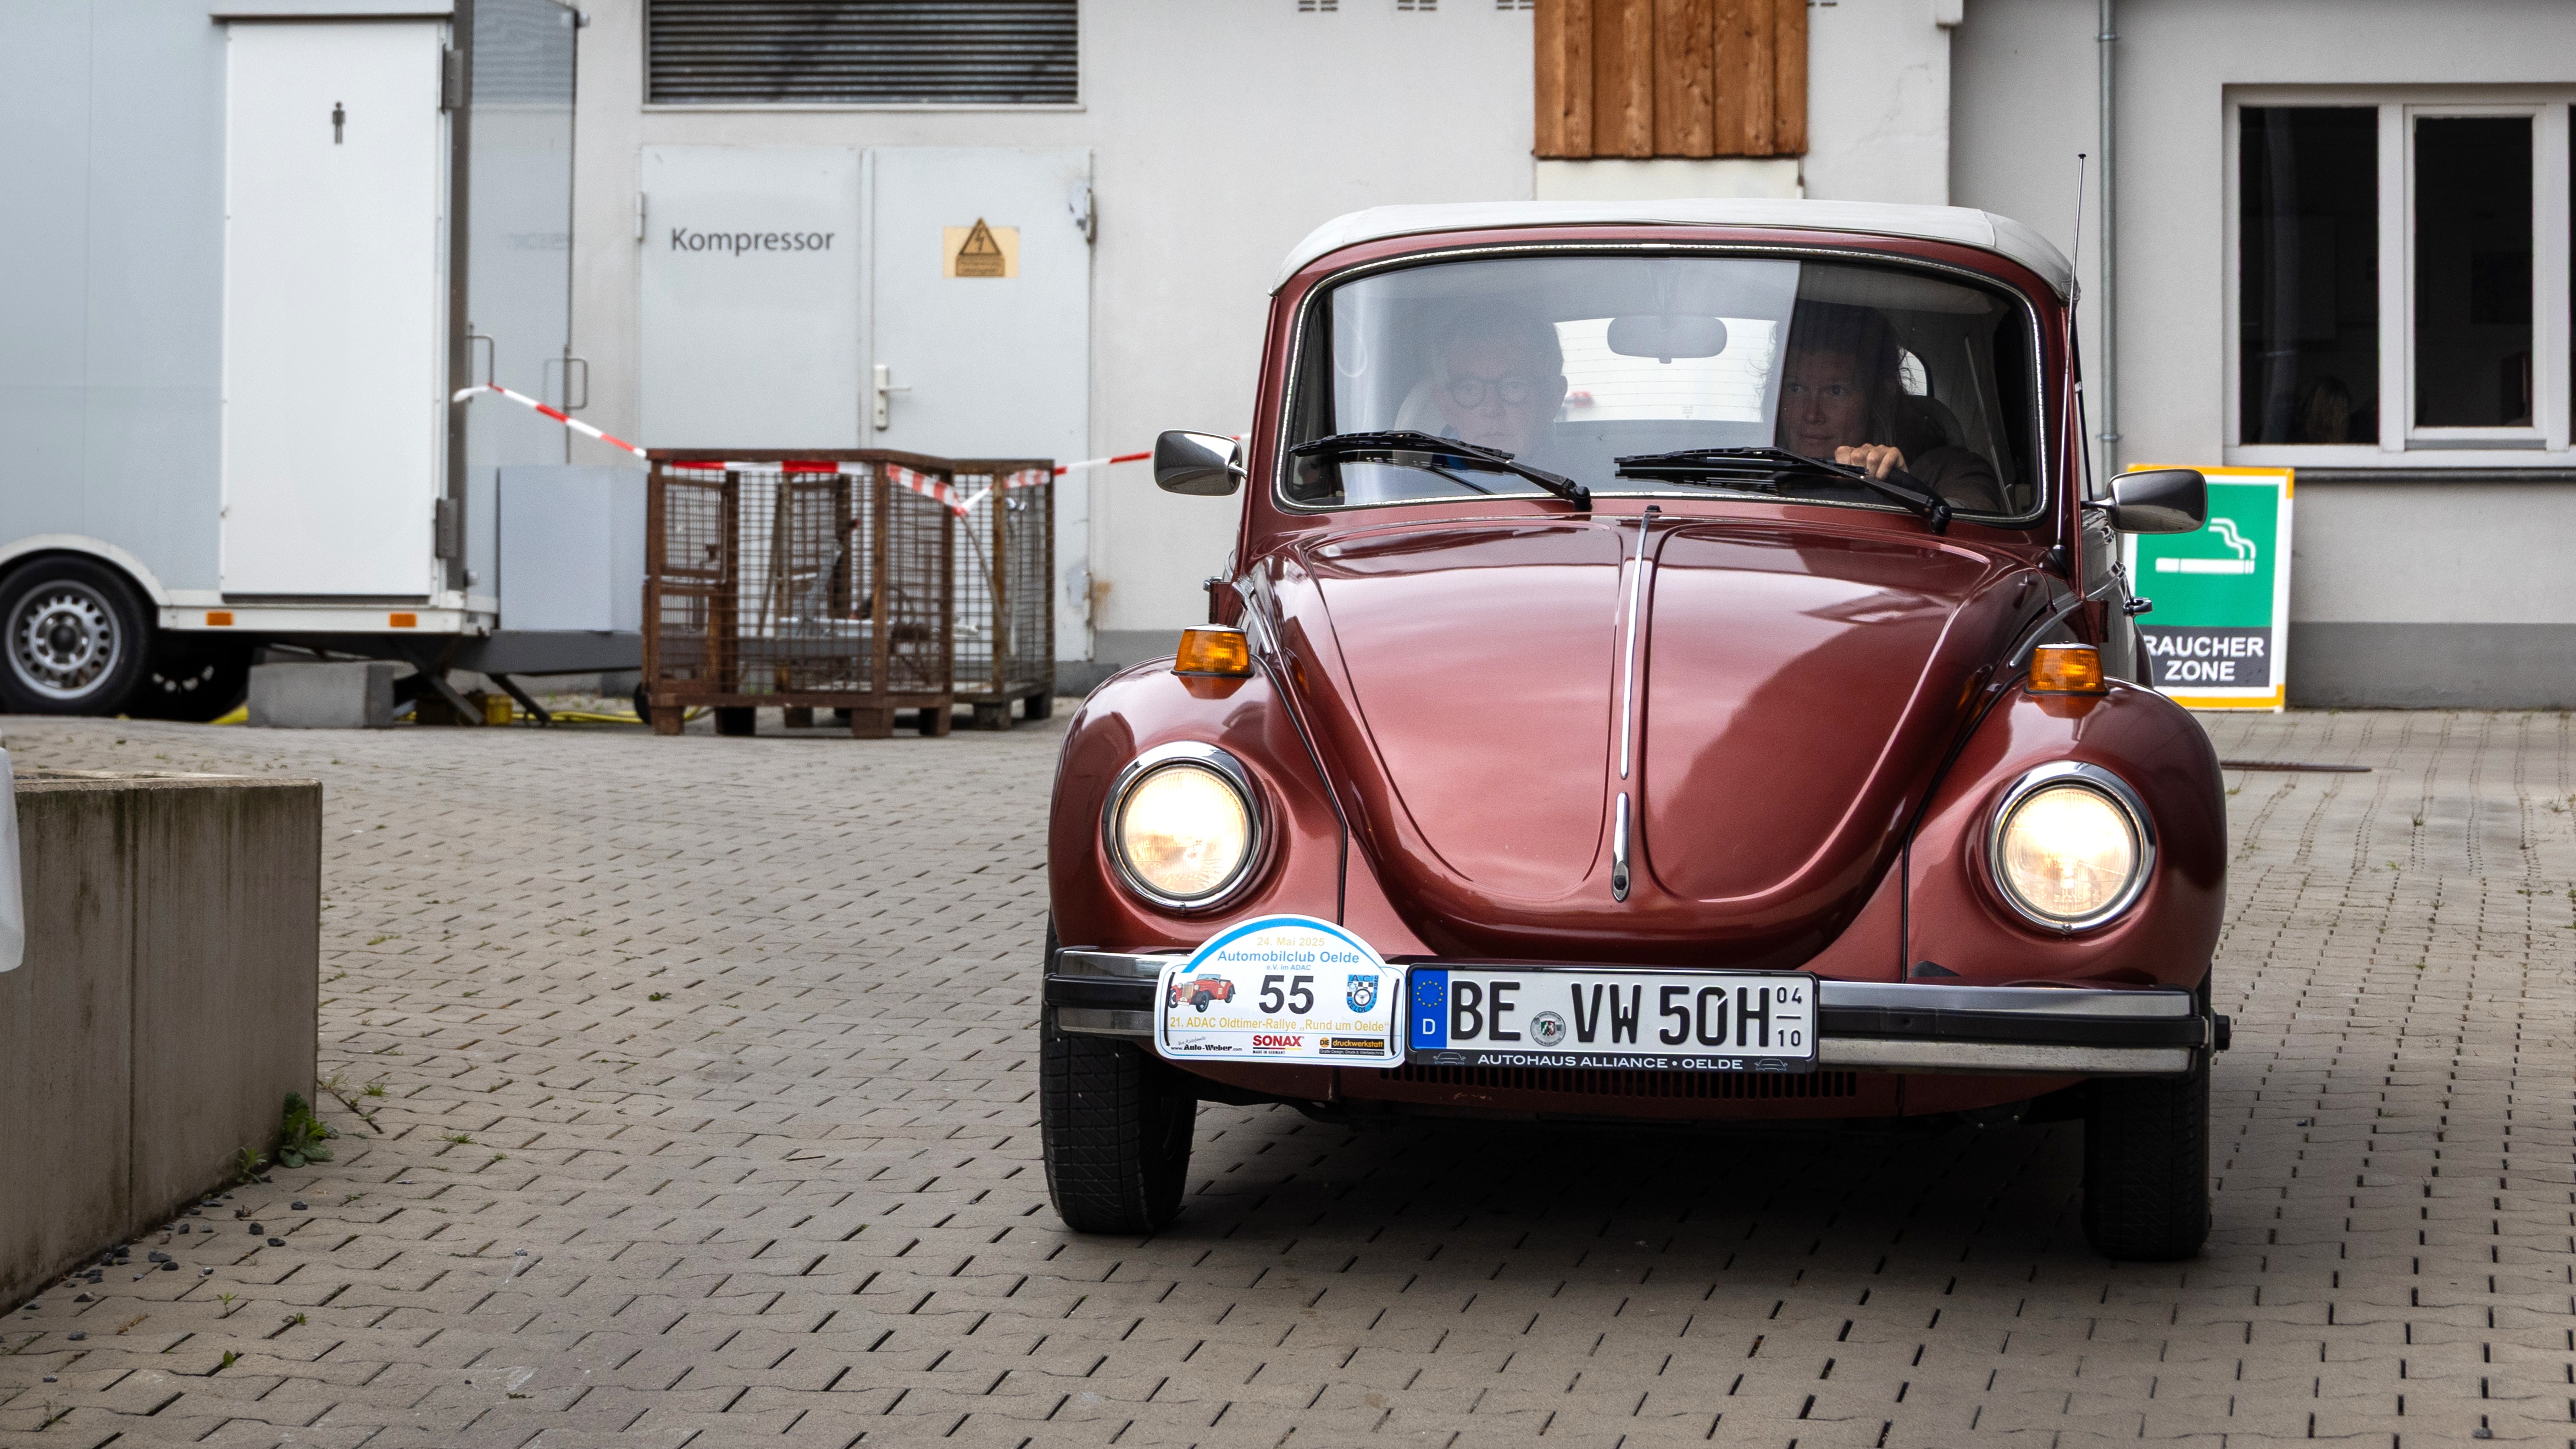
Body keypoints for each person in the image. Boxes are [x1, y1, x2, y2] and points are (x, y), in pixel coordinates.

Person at [1776, 299, 2006, 514]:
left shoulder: (1948, 469)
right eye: (1795, 388)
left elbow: (1970, 518)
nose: (1812, 414)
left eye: (1836, 391)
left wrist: (1900, 490)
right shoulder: (1757, 464)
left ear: (1879, 396)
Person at [1428, 309, 1570, 460]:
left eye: (1513, 386)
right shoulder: (1415, 474)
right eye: (1469, 389)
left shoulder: (1579, 475)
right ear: (1446, 406)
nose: (1492, 409)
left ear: (1552, 398)